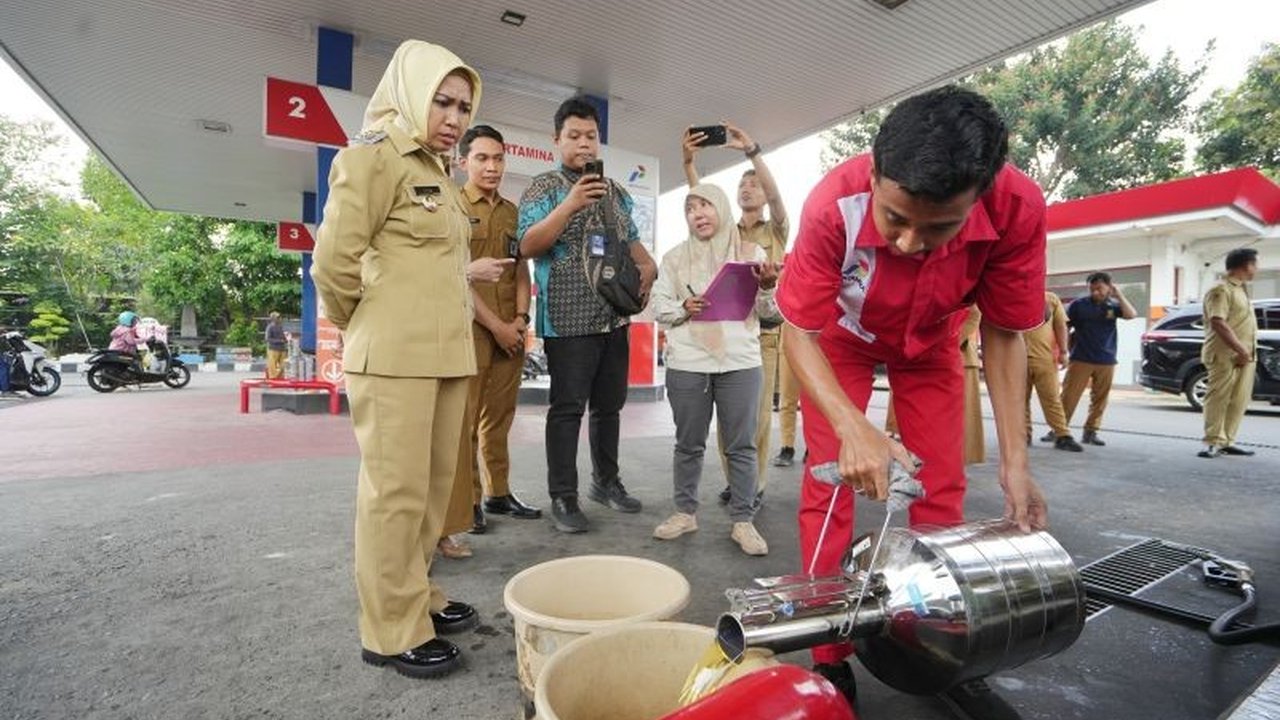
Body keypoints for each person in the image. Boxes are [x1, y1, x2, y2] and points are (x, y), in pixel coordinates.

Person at [777, 85, 1049, 713]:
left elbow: (1006, 331)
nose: (907, 243)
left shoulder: (1019, 208)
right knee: (832, 484)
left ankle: (941, 641)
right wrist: (853, 427)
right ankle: (828, 655)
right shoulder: (831, 204)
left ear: (979, 197)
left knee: (941, 487)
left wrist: (1016, 461)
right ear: (874, 174)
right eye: (894, 219)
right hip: (837, 343)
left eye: (939, 227)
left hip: (932, 343)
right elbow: (799, 331)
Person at [310, 40, 507, 680]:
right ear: (410, 95)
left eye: (463, 106)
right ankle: (390, 631)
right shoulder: (370, 158)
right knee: (393, 496)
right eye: (442, 102)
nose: (453, 117)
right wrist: (365, 325)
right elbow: (334, 264)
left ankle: (417, 597)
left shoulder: (439, 174)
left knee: (429, 496)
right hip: (393, 356)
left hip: (446, 356)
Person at [517, 97, 658, 534]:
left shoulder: (615, 191)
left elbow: (632, 243)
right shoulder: (543, 188)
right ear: (557, 140)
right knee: (566, 409)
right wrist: (570, 205)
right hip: (566, 318)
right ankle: (563, 495)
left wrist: (648, 265)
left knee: (609, 407)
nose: (584, 145)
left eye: (591, 137)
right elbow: (526, 246)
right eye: (574, 136)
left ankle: (606, 481)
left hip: (613, 317)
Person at [649, 183, 779, 556]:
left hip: (740, 362)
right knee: (688, 444)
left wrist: (768, 288)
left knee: (741, 445)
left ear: (721, 208)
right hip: (688, 363)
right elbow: (659, 307)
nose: (698, 214)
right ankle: (684, 512)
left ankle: (743, 521)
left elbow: (771, 316)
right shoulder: (674, 259)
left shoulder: (751, 253)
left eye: (705, 205)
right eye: (691, 208)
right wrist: (683, 307)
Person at [437, 125, 541, 560]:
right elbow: (455, 275)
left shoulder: (515, 213)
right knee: (464, 422)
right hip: (471, 329)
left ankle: (499, 492)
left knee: (499, 418)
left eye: (498, 158)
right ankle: (470, 503)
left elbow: (520, 271)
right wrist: (497, 325)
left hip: (509, 331)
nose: (492, 166)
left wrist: (519, 320)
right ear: (464, 161)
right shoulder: (452, 207)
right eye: (482, 158)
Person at [682, 122, 789, 503]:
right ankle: (737, 481)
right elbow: (701, 200)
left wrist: (752, 152)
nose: (747, 189)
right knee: (728, 423)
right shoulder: (724, 228)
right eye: (743, 185)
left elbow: (776, 198)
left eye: (754, 185)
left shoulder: (775, 230)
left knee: (755, 420)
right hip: (722, 333)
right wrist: (689, 163)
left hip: (763, 334)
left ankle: (754, 486)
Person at [882, 306, 986, 464]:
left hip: (955, 356)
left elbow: (973, 315)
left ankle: (949, 461)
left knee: (954, 420)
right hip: (923, 355)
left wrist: (945, 344)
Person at [1060, 272, 1137, 446]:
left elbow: (1131, 314)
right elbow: (1064, 326)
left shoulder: (1114, 305)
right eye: (1092, 288)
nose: (1095, 292)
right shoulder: (1078, 305)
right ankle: (1059, 430)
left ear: (1109, 288)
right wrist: (1063, 350)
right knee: (1068, 396)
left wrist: (1119, 295)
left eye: (1100, 288)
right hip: (1081, 358)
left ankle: (1091, 432)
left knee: (1100, 399)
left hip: (1107, 359)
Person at [1198, 248, 1259, 459]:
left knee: (1238, 400)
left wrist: (1246, 352)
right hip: (1224, 354)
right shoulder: (1221, 289)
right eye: (1254, 264)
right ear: (1245, 265)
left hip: (1244, 355)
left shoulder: (1241, 289)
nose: (1256, 269)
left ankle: (1227, 441)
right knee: (1219, 398)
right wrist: (1241, 350)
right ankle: (1212, 441)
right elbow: (1218, 322)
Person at [1029, 292, 1083, 451]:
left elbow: (1061, 326)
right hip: (1016, 359)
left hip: (1045, 359)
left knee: (1052, 399)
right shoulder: (1010, 296)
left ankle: (1062, 435)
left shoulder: (1050, 299)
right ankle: (1023, 435)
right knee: (1019, 401)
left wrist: (1064, 352)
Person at [265, 312, 287, 379]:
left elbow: (283, 336)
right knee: (272, 365)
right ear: (273, 319)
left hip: (282, 348)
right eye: (278, 317)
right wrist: (279, 341)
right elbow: (267, 339)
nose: (280, 319)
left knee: (283, 364)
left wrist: (286, 339)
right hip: (273, 349)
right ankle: (273, 377)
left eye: (280, 317)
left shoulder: (280, 326)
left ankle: (280, 376)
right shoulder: (270, 327)